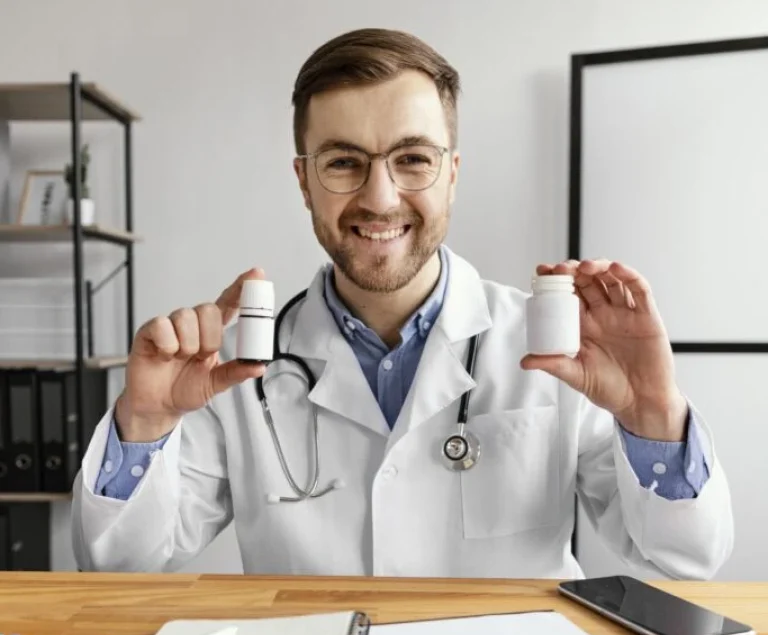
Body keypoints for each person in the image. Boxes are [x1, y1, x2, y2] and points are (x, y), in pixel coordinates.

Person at [71, 28, 733, 579]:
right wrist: (146, 424)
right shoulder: (236, 366)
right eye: (343, 162)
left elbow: (686, 555)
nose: (380, 198)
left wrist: (650, 414)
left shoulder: (560, 349)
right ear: (304, 180)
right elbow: (118, 565)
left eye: (412, 159)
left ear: (451, 172)